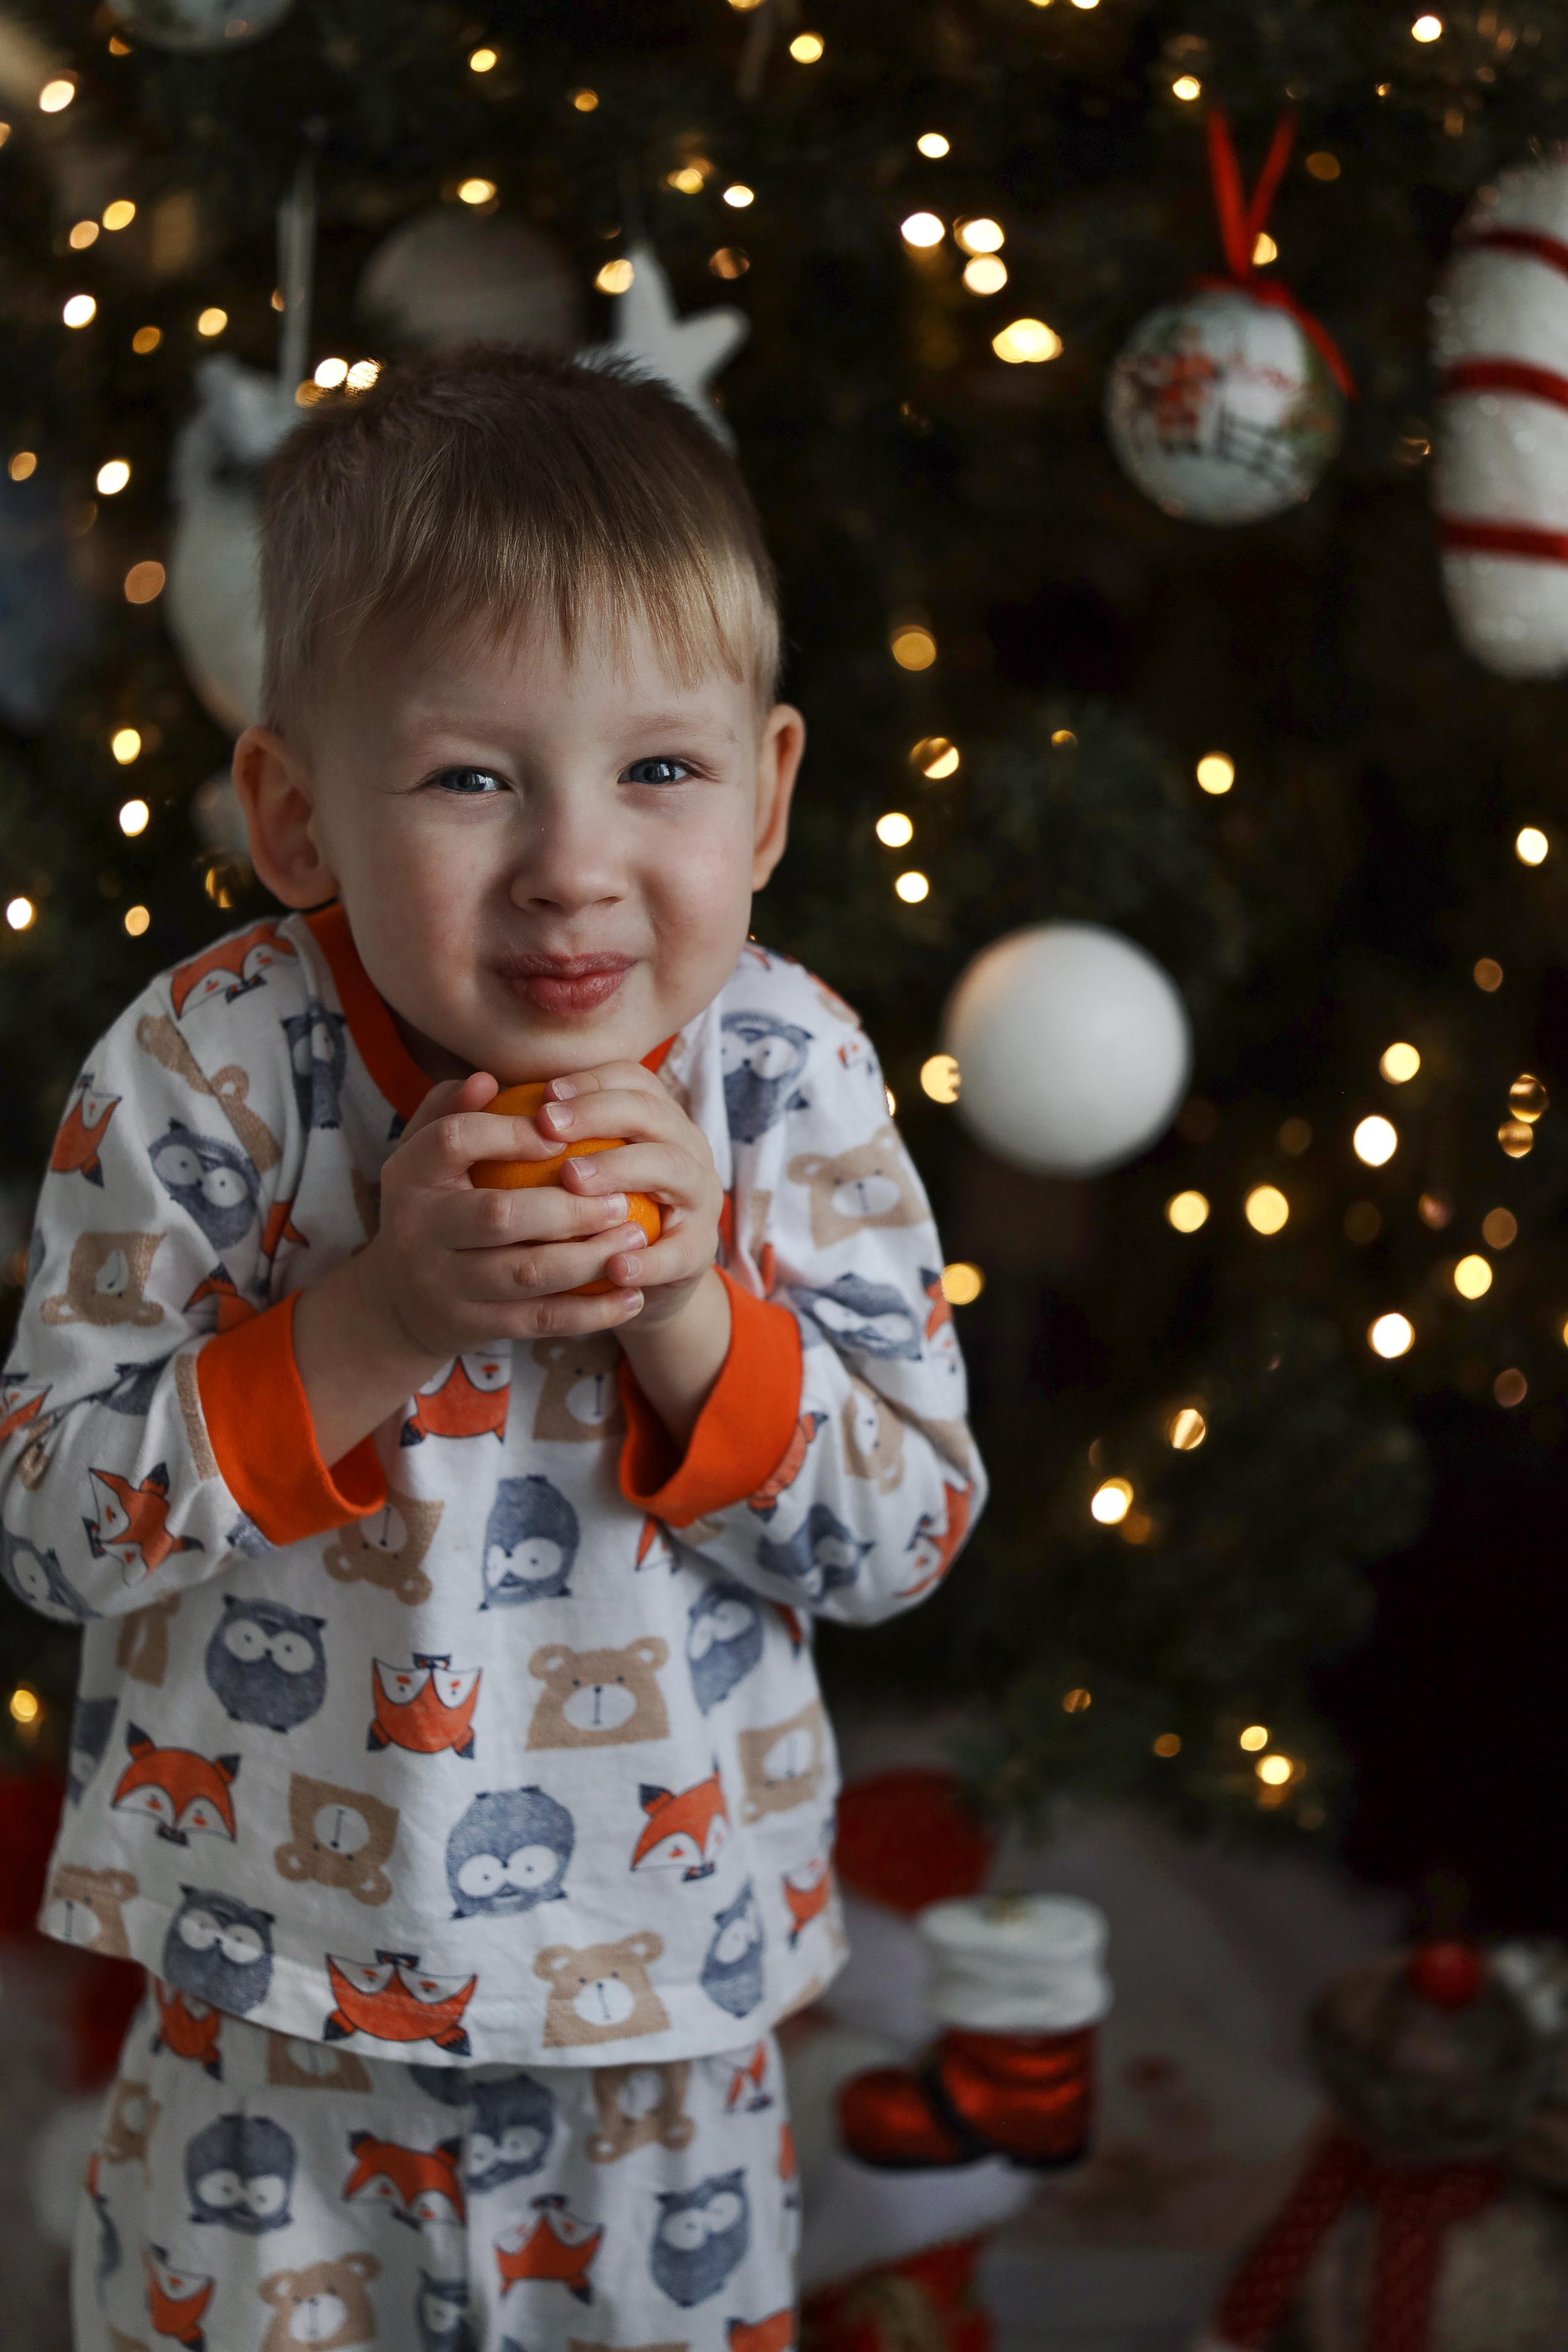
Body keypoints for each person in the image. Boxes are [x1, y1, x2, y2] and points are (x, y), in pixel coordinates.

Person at [2, 347, 986, 2350]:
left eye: (659, 770)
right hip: (272, 1988)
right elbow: (48, 1528)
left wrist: (693, 1316)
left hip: (663, 2003)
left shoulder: (782, 1079)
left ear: (770, 792)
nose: (570, 863)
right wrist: (371, 1319)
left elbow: (904, 1536)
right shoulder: (201, 1079)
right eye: (470, 776)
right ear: (292, 810)